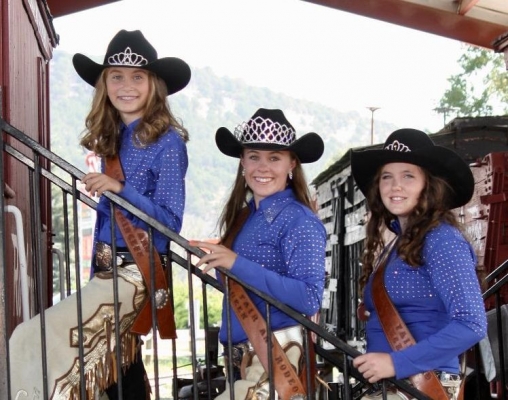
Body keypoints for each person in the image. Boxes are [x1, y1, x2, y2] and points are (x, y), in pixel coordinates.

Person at [9, 29, 190, 400]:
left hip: (135, 274)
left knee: (31, 339)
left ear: (153, 84)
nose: (126, 85)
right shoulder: (114, 137)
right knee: (118, 374)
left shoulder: (167, 140)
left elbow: (171, 223)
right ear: (104, 84)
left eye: (137, 77)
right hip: (107, 272)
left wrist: (121, 190)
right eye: (116, 76)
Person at [189, 108, 327, 399]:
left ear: (292, 164)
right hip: (243, 358)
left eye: (274, 158)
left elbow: (308, 297)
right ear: (242, 162)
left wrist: (236, 263)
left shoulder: (299, 219)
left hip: (278, 352)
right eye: (254, 157)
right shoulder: (244, 216)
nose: (262, 167)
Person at [351, 128, 487, 400]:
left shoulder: (442, 239)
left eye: (408, 176)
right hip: (393, 387)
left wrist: (394, 363)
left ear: (429, 184)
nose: (395, 186)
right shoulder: (398, 242)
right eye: (387, 177)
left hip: (423, 385)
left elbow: (471, 323)